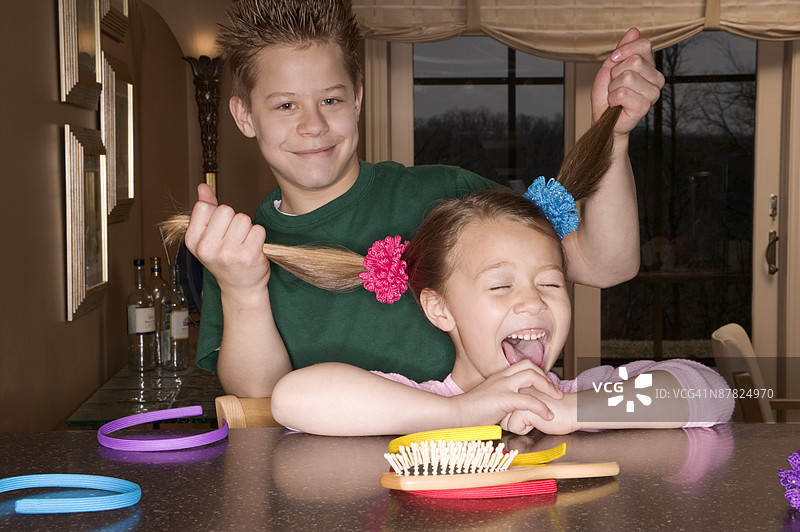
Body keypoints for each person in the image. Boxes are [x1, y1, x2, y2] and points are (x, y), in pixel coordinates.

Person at [183, 0, 665, 398]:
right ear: (245, 117)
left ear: (357, 100)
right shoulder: (238, 251)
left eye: (330, 99)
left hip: (476, 476)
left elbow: (607, 264)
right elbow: (262, 402)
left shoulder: (448, 194)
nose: (314, 125)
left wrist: (614, 135)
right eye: (285, 105)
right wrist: (243, 288)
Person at [266, 108, 733, 435]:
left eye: (550, 282)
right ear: (439, 309)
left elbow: (711, 392)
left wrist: (571, 409)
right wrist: (461, 412)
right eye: (500, 285)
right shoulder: (419, 401)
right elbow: (293, 397)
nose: (532, 301)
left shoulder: (579, 395)